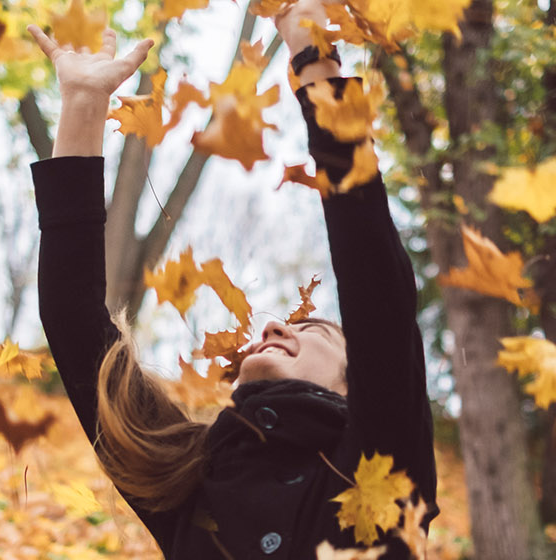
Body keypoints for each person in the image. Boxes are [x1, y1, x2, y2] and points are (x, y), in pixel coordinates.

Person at [26, 0, 436, 556]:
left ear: (353, 384)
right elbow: (73, 319)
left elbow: (376, 285)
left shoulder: (380, 465)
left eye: (315, 332)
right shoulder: (190, 476)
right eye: (284, 327)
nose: (274, 330)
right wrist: (82, 103)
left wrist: (309, 48)